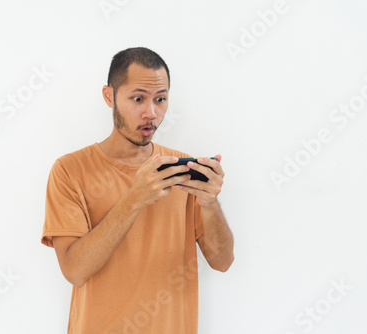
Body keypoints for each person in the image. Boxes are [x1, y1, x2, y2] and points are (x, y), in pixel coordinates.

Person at [41, 47, 234, 334]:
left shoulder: (180, 171)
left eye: (160, 99)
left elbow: (222, 262)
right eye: (138, 98)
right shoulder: (70, 170)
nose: (151, 112)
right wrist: (134, 198)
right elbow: (74, 270)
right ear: (109, 96)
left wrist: (209, 204)